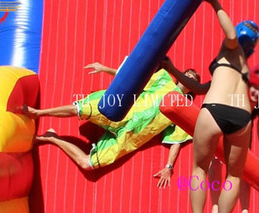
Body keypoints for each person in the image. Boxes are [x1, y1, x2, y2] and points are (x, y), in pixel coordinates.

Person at [162, 0, 259, 213]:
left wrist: (215, 2)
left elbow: (231, 35)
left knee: (199, 170)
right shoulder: (242, 67)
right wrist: (173, 69)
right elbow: (200, 88)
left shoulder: (230, 49)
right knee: (234, 175)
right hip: (241, 118)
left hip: (214, 110)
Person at [24, 61, 197, 171]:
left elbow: (176, 141)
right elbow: (134, 80)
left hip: (128, 137)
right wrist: (105, 69)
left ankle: (52, 137)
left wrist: (169, 167)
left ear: (193, 88)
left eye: (193, 80)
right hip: (121, 111)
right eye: (187, 74)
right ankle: (38, 113)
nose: (189, 78)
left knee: (87, 164)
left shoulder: (184, 108)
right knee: (79, 109)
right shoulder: (164, 79)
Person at [206, 64, 259, 213]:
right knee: (215, 163)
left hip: (243, 128)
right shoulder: (236, 92)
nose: (257, 93)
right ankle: (215, 209)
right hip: (222, 123)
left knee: (244, 170)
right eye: (255, 88)